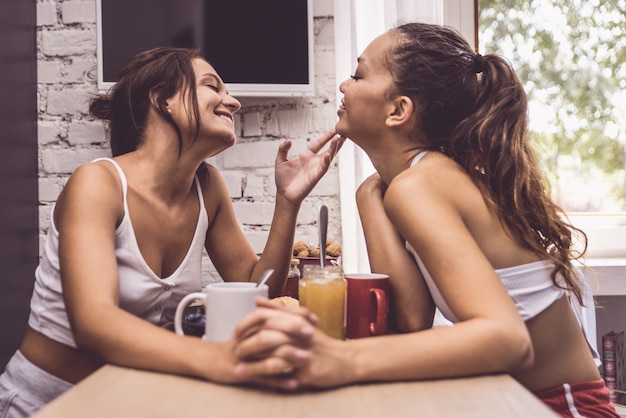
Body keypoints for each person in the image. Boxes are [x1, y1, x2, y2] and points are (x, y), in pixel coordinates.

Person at [233, 22, 620, 417]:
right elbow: (413, 319)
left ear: (398, 110)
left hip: (564, 408)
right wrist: (368, 195)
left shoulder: (419, 185)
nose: (344, 87)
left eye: (359, 74)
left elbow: (507, 339)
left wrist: (341, 358)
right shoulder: (413, 181)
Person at [0, 46, 343, 417]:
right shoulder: (98, 183)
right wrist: (217, 360)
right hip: (43, 405)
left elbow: (256, 286)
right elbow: (93, 324)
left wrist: (287, 202)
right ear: (163, 100)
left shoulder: (207, 187)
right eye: (213, 87)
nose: (234, 102)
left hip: (125, 403)